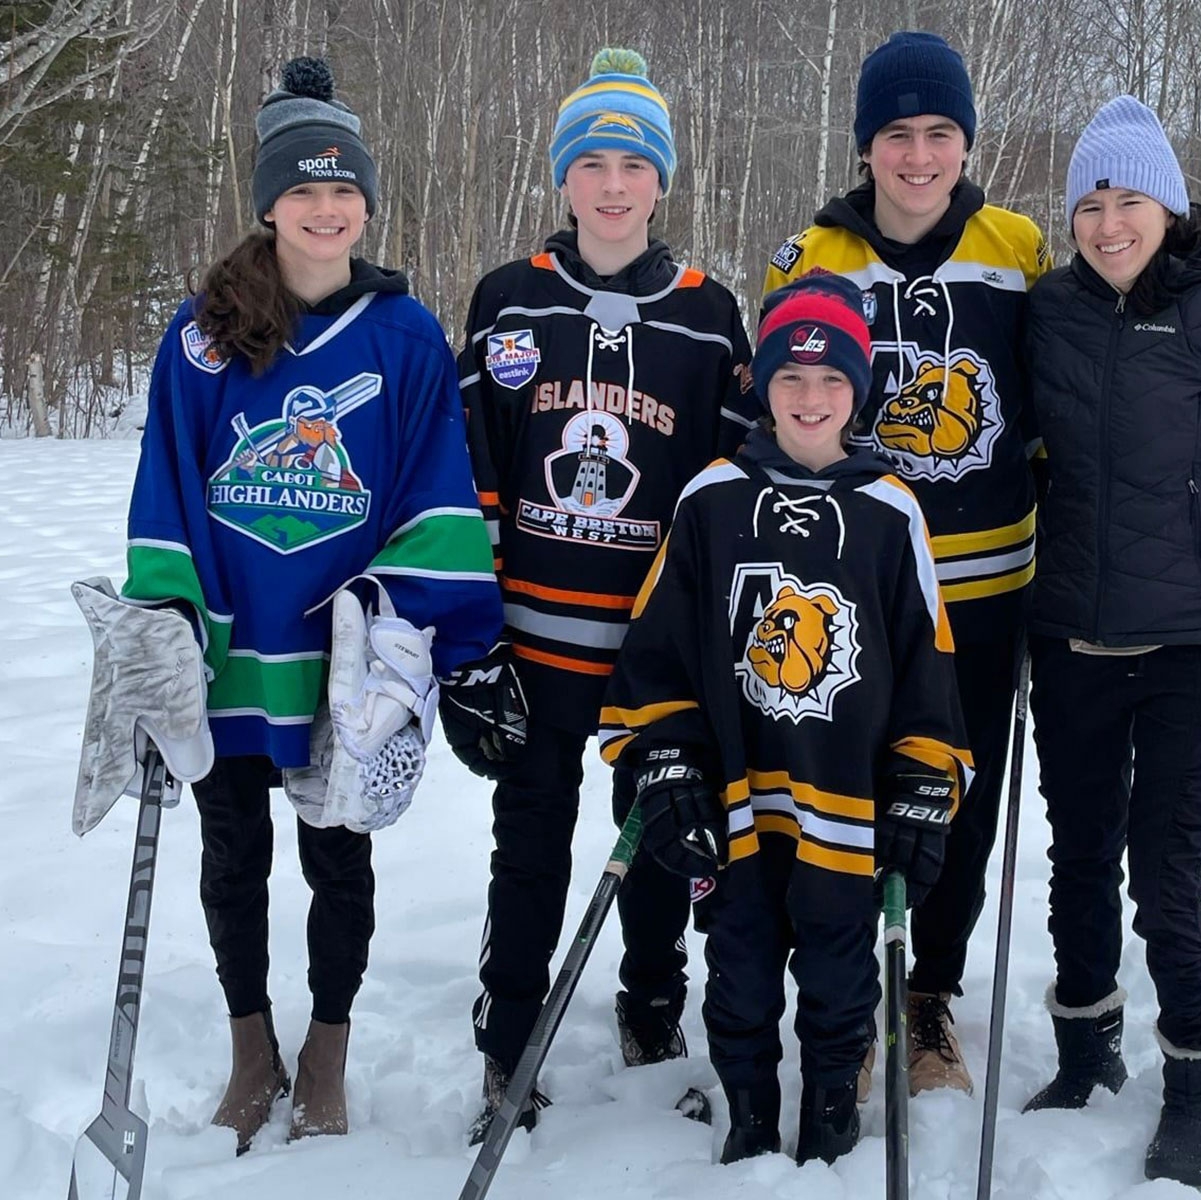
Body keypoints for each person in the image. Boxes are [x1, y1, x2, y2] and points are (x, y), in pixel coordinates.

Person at [118, 57, 501, 1152]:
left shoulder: (405, 335)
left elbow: (435, 489)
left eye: (344, 192)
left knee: (339, 851)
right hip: (236, 648)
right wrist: (170, 615)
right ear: (270, 203)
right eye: (304, 190)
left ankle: (326, 1046)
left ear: (366, 205)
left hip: (341, 652)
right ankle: (254, 1050)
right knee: (232, 851)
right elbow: (171, 484)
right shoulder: (201, 334)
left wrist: (415, 624)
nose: (326, 209)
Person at [441, 48, 757, 1141]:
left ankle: (650, 1004)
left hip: (651, 654)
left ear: (661, 180)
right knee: (528, 840)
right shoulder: (509, 300)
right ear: (564, 177)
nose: (613, 185)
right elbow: (468, 477)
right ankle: (510, 1037)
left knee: (663, 832)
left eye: (633, 163)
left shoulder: (710, 316)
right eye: (592, 163)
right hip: (533, 643)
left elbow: (731, 495)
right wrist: (470, 645)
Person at [598, 275, 970, 1165]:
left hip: (843, 795)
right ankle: (752, 1119)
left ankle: (833, 1118)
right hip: (739, 794)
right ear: (762, 386)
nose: (811, 399)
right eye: (792, 379)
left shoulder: (891, 509)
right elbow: (658, 649)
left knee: (844, 973)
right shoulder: (710, 498)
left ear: (860, 390)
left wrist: (924, 773)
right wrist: (667, 756)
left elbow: (929, 654)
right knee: (741, 964)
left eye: (833, 380)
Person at [1022, 95, 1201, 1187]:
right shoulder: (1048, 310)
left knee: (1167, 872)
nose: (1108, 223)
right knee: (1081, 855)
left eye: (1129, 200)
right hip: (1073, 638)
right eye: (1090, 203)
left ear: (1169, 205)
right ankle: (1084, 1048)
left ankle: (1194, 1080)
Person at [762, 30, 1049, 1097]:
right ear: (866, 144)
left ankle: (929, 995)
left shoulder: (1017, 249)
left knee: (955, 801)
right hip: (858, 588)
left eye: (940, 133)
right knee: (846, 789)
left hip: (986, 590)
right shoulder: (811, 258)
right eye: (897, 134)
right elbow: (777, 420)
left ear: (964, 141)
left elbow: (1056, 407)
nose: (919, 156)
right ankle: (843, 984)